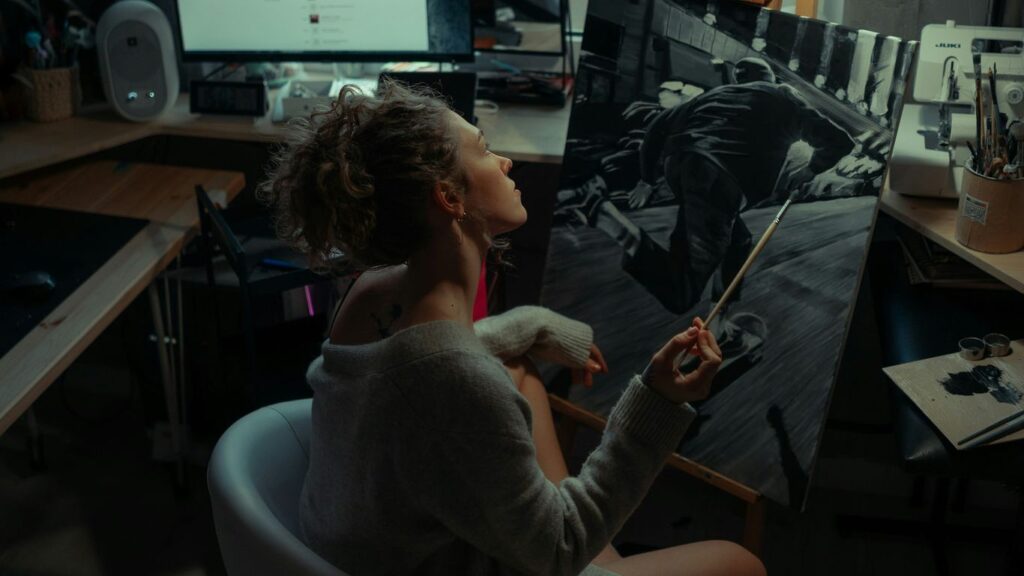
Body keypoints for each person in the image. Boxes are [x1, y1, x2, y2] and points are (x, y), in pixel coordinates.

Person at [259, 79, 766, 576]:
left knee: (520, 373)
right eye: (484, 149)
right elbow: (558, 548)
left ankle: (600, 553)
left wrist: (534, 324)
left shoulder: (371, 292)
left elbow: (422, 367)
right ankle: (597, 549)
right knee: (738, 562)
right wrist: (656, 402)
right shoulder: (456, 383)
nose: (505, 161)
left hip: (377, 534)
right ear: (449, 198)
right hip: (503, 555)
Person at [569, 58, 858, 317]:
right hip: (720, 178)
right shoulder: (782, 95)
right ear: (770, 78)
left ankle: (719, 321)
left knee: (738, 240)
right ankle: (604, 213)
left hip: (683, 168)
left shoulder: (714, 95)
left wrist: (646, 179)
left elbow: (656, 127)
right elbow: (841, 140)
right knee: (681, 292)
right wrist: (810, 170)